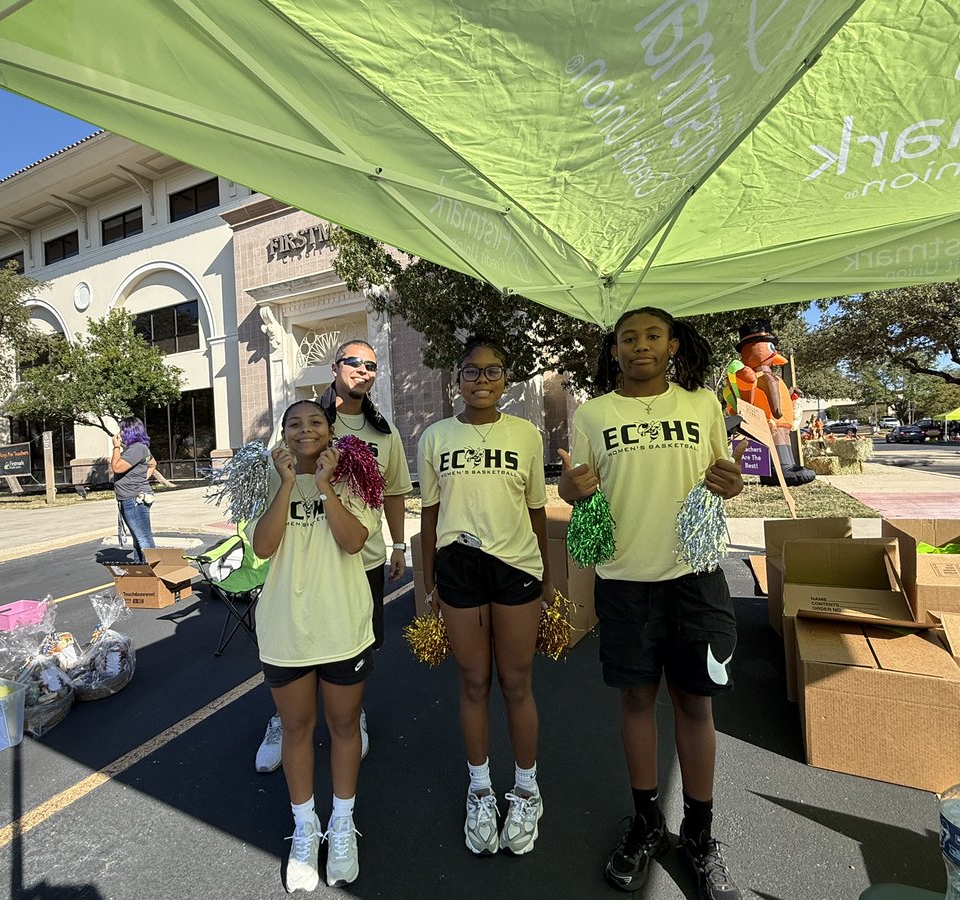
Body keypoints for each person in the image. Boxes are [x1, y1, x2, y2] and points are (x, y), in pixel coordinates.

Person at [557, 307, 746, 899]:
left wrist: (733, 482)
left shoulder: (702, 406)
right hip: (625, 582)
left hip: (697, 577)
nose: (640, 345)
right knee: (637, 701)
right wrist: (570, 488)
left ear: (672, 345)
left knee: (695, 705)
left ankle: (699, 833)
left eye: (652, 336)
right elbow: (577, 489)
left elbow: (727, 477)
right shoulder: (591, 414)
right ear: (614, 351)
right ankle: (645, 822)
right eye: (628, 338)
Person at [418, 336, 552, 856]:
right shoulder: (435, 437)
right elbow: (429, 514)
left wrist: (550, 579)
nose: (481, 380)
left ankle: (526, 789)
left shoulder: (526, 435)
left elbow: (537, 509)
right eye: (471, 372)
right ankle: (480, 789)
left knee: (516, 682)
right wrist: (428, 582)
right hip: (458, 571)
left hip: (516, 568)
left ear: (506, 380)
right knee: (474, 682)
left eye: (492, 371)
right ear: (457, 379)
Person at [255, 339, 412, 773]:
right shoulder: (304, 419)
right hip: (306, 561)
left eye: (371, 365)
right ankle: (283, 722)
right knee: (296, 652)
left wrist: (398, 544)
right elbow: (269, 484)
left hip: (361, 558)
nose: (363, 370)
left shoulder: (384, 431)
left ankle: (349, 716)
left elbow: (395, 490)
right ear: (335, 366)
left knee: (352, 653)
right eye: (354, 362)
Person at [250, 399, 378, 891]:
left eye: (315, 422)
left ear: (330, 429)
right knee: (296, 728)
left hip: (342, 624)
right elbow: (263, 546)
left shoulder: (355, 471)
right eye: (294, 424)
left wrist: (323, 486)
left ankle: (341, 825)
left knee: (344, 725)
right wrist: (287, 484)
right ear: (283, 433)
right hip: (286, 629)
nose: (306, 430)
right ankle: (306, 828)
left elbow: (354, 541)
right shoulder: (268, 474)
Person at [110, 416, 156, 564]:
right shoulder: (138, 449)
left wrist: (116, 447)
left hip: (134, 499)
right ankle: (141, 570)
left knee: (143, 537)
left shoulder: (136, 449)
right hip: (132, 497)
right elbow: (153, 464)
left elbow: (116, 467)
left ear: (130, 431)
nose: (120, 433)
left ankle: (154, 572)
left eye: (123, 429)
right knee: (138, 536)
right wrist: (142, 480)